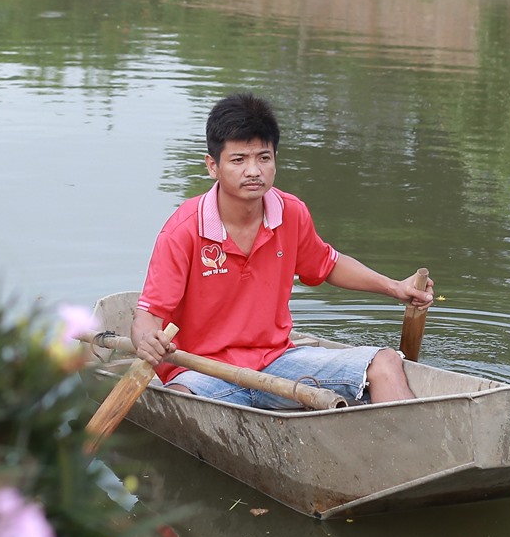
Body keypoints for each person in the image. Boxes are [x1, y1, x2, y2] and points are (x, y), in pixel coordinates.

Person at [129, 93, 435, 407]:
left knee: (384, 362)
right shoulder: (184, 231)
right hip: (202, 372)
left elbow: (327, 264)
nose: (254, 171)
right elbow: (148, 318)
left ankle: (413, 450)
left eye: (263, 157)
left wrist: (395, 287)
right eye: (239, 160)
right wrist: (147, 342)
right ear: (213, 166)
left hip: (276, 363)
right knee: (183, 401)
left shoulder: (291, 212)